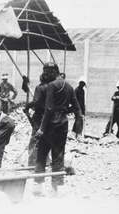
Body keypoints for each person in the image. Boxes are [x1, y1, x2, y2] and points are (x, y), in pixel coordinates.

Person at [34, 62, 82, 197]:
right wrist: (77, 127)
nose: (45, 75)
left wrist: (42, 129)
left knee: (42, 154)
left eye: (47, 73)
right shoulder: (69, 86)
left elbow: (48, 109)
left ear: (54, 72)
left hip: (50, 125)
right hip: (63, 124)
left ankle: (38, 186)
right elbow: (77, 109)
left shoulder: (51, 86)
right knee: (58, 155)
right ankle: (55, 190)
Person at [23, 74, 48, 166]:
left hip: (39, 116)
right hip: (47, 116)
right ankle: (46, 162)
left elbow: (36, 101)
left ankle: (32, 163)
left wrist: (27, 105)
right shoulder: (51, 87)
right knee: (45, 139)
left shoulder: (40, 87)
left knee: (34, 139)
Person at [71, 75, 86, 140]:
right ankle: (76, 133)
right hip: (77, 107)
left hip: (81, 107)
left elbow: (82, 101)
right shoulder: (76, 90)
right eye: (81, 83)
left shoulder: (82, 91)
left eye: (83, 83)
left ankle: (75, 133)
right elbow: (73, 100)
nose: (82, 84)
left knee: (79, 120)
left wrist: (83, 110)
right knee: (78, 119)